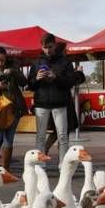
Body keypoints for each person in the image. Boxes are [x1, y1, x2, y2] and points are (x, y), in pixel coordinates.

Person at [27, 33, 77, 165]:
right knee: (40, 137)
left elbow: (71, 82)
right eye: (45, 47)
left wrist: (56, 77)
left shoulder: (65, 62)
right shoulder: (36, 63)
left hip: (60, 104)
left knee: (62, 137)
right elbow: (30, 85)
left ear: (54, 45)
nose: (47, 50)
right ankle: (40, 166)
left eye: (49, 46)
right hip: (41, 104)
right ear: (41, 47)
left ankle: (63, 166)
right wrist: (36, 79)